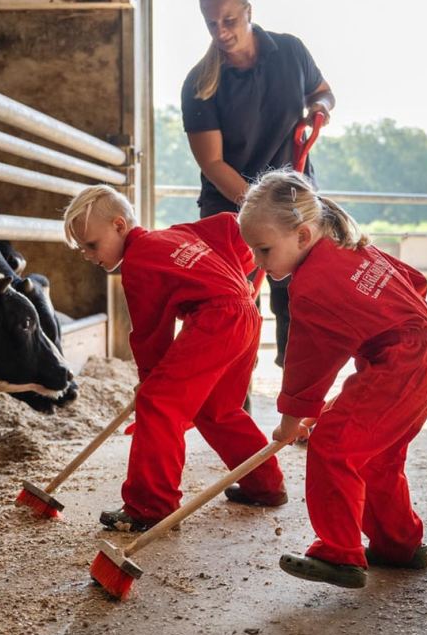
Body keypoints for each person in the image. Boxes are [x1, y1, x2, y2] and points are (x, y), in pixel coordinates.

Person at [237, 169, 427, 589]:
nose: (258, 262)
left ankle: (339, 553)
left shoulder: (311, 284)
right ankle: (399, 545)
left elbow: (308, 359)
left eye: (263, 249)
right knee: (377, 456)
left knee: (333, 445)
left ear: (301, 236)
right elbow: (414, 283)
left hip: (400, 362)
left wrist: (293, 416)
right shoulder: (351, 247)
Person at [62, 185, 287, 531]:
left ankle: (150, 506)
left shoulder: (137, 262)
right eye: (81, 251)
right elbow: (231, 227)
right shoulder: (177, 235)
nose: (89, 255)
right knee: (219, 411)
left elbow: (151, 332)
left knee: (158, 402)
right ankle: (265, 486)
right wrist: (242, 273)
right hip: (244, 314)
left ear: (119, 225)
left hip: (216, 319)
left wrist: (149, 381)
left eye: (92, 245)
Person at [182, 0, 335, 367]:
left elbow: (322, 91)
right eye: (212, 23)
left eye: (229, 20)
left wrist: (320, 108)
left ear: (248, 13)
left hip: (293, 200)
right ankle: (235, 404)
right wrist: (256, 207)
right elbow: (212, 162)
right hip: (230, 207)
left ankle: (295, 403)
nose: (221, 32)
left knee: (298, 302)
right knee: (234, 305)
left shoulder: (290, 52)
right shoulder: (200, 83)